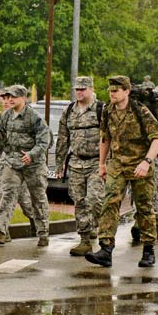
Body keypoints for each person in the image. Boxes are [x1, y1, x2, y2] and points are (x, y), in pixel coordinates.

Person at [85, 76, 158, 268]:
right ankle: (106, 249)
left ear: (127, 92)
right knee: (109, 202)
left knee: (144, 207)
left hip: (140, 164)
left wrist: (146, 162)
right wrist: (102, 164)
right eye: (110, 91)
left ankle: (148, 250)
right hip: (117, 164)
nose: (112, 94)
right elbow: (105, 138)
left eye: (116, 91)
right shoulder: (108, 111)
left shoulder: (140, 111)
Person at [0, 85, 51, 247]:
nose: (10, 99)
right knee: (6, 194)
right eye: (8, 96)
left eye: (14, 96)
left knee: (38, 199)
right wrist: (6, 154)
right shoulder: (5, 116)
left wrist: (31, 154)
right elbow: (2, 138)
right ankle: (0, 230)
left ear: (23, 98)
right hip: (12, 163)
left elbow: (44, 141)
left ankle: (43, 233)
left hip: (33, 165)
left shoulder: (34, 117)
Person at [55, 76, 105, 256]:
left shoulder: (101, 110)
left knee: (95, 200)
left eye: (83, 89)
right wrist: (59, 163)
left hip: (96, 162)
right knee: (79, 201)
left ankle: (103, 232)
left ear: (91, 89)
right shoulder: (69, 111)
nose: (79, 92)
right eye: (77, 89)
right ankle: (84, 240)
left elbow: (112, 137)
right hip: (76, 162)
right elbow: (62, 138)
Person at [0, 90, 36, 242]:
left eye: (10, 98)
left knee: (25, 201)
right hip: (4, 163)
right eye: (4, 98)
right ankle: (2, 230)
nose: (6, 101)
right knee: (3, 195)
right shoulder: (1, 119)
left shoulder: (28, 117)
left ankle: (35, 222)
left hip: (22, 165)